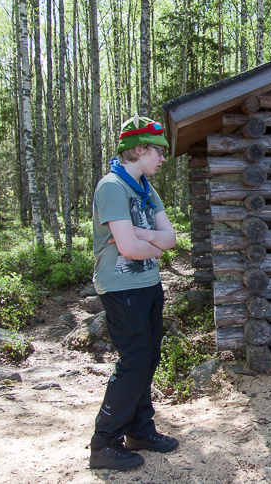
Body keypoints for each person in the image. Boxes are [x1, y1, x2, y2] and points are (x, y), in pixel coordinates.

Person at [89, 116, 178, 471]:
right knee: (134, 361)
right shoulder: (112, 187)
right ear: (139, 149)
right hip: (120, 287)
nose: (162, 158)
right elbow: (127, 248)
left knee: (148, 358)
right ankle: (104, 442)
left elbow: (170, 239)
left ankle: (140, 431)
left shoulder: (145, 188)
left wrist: (146, 239)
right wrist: (153, 243)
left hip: (148, 284)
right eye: (158, 151)